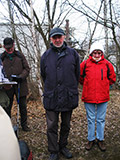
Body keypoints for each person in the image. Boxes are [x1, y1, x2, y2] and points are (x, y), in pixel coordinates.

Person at [40, 27, 80, 160]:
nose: (57, 40)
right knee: (51, 125)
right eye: (54, 37)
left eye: (59, 37)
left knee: (66, 125)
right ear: (51, 39)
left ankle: (63, 146)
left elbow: (77, 74)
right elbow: (44, 75)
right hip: (52, 96)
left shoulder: (73, 54)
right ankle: (53, 150)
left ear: (64, 37)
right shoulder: (45, 56)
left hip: (68, 96)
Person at [79, 42, 116, 152]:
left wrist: (104, 85)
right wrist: (87, 84)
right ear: (91, 53)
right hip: (89, 96)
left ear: (102, 53)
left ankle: (100, 139)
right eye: (95, 52)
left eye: (99, 52)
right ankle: (90, 139)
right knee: (91, 119)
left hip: (103, 97)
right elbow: (80, 77)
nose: (97, 55)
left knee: (100, 119)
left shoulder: (107, 64)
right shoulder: (85, 64)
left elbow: (112, 78)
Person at [1, 37, 30, 132]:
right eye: (7, 48)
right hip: (7, 86)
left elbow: (27, 69)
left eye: (11, 47)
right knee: (7, 106)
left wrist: (21, 76)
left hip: (20, 85)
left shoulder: (20, 55)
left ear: (14, 45)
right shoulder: (2, 57)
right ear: (4, 47)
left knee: (22, 107)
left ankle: (24, 125)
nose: (9, 49)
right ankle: (7, 125)